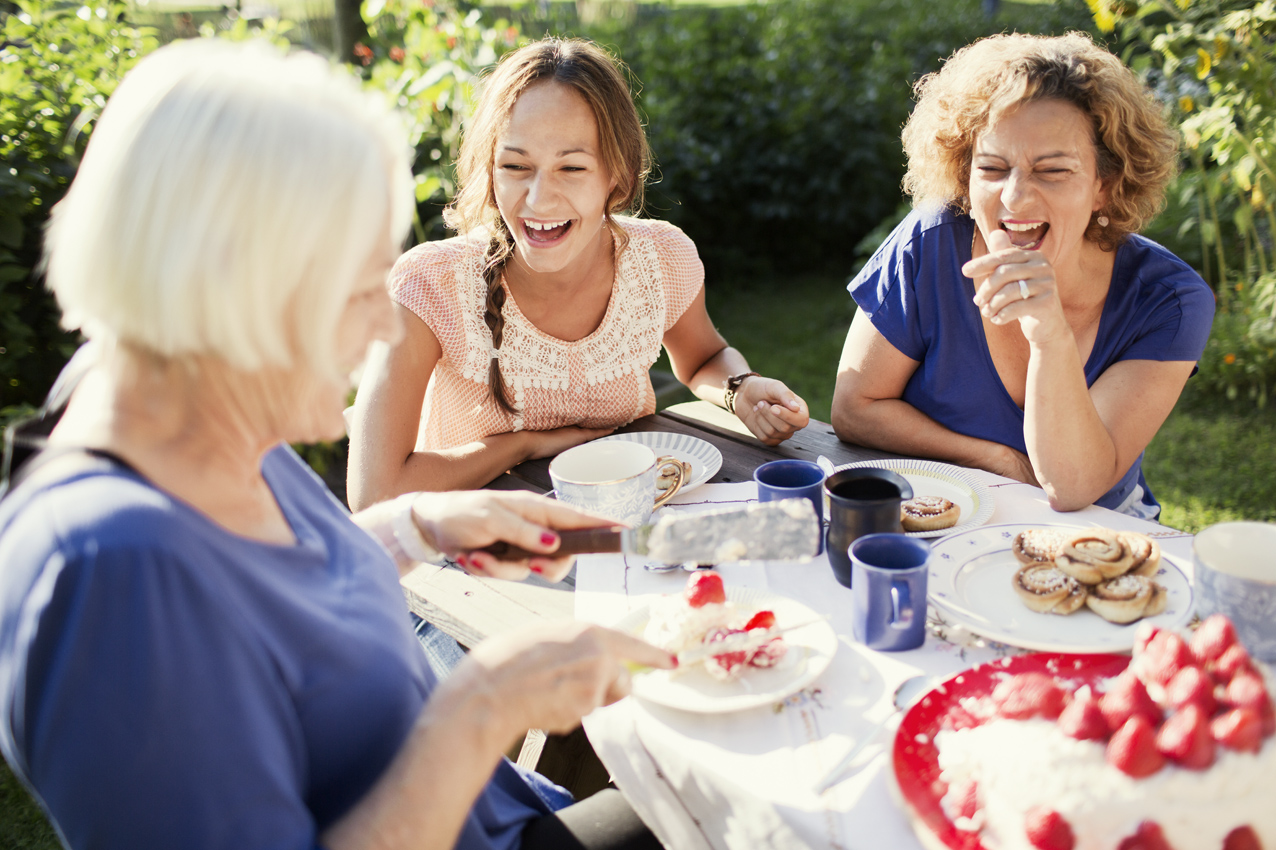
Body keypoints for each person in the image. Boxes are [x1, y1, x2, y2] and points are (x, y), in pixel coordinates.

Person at [0, 39, 675, 850]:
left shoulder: (183, 409)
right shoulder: (111, 575)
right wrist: (482, 708)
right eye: (359, 290)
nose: (386, 325)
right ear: (233, 281)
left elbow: (257, 604)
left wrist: (412, 529)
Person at [347, 37, 810, 506]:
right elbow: (375, 494)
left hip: (620, 527)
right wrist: (522, 445)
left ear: (619, 175)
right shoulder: (429, 285)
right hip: (470, 559)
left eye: (571, 168)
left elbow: (704, 358)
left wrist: (742, 390)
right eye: (515, 165)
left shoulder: (661, 259)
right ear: (489, 171)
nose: (538, 199)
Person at [831, 32, 1214, 519]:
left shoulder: (1170, 300)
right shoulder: (929, 244)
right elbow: (854, 407)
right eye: (992, 167)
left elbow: (1072, 488)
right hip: (943, 511)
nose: (1015, 198)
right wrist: (994, 460)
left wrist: (1049, 336)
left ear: (1104, 186)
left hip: (1095, 534)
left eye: (1052, 171)